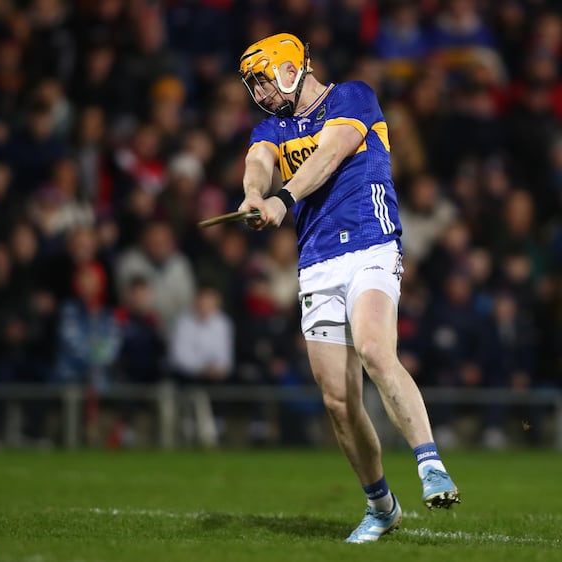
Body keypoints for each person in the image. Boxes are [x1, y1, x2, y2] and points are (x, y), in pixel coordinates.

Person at [236, 33, 460, 543]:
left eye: (266, 81)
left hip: (370, 240)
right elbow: (258, 162)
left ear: (292, 68)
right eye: (256, 87)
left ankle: (430, 466)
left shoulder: (353, 96)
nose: (263, 94)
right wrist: (253, 195)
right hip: (317, 262)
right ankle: (381, 506)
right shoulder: (271, 126)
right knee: (338, 400)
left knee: (376, 348)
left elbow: (330, 154)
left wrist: (283, 198)